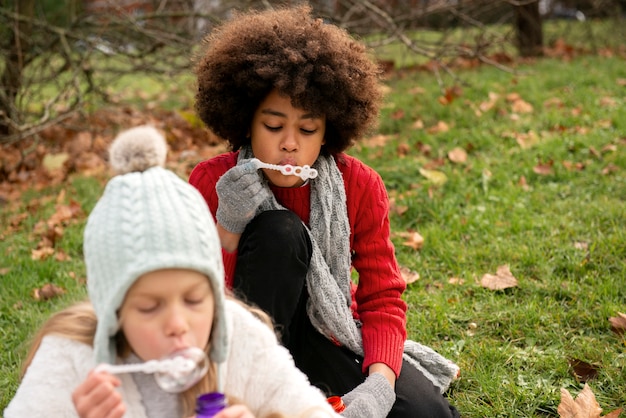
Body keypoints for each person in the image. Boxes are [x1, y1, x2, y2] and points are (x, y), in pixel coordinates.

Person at [188, 5, 460, 418]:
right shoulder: (212, 182)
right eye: (274, 127)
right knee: (280, 230)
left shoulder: (359, 184)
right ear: (245, 122)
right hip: (242, 346)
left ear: (329, 129)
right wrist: (228, 229)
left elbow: (381, 296)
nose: (290, 145)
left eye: (308, 129)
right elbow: (195, 299)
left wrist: (380, 386)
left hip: (327, 331)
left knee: (427, 414)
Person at [4, 125, 340, 418]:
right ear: (112, 311)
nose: (178, 325)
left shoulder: (240, 337)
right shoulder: (72, 360)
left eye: (195, 300)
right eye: (150, 307)